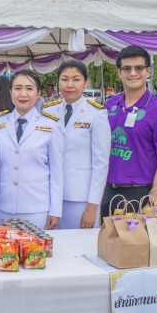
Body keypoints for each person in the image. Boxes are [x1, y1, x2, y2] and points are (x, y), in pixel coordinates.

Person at [100, 46, 157, 218]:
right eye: (127, 68)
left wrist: (153, 203)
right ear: (119, 72)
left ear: (148, 71)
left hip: (142, 194)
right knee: (108, 244)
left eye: (139, 68)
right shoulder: (110, 105)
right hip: (109, 192)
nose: (132, 73)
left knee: (138, 245)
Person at [0, 69, 64, 230]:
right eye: (18, 88)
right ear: (10, 92)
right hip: (2, 207)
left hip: (37, 209)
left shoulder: (51, 126)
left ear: (38, 93)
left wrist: (55, 210)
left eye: (29, 89)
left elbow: (57, 172)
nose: (23, 94)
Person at [47, 60, 110, 231]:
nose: (70, 85)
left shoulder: (96, 114)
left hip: (80, 198)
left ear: (85, 82)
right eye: (64, 79)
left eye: (76, 79)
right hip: (51, 196)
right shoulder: (48, 112)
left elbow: (101, 164)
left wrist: (92, 205)